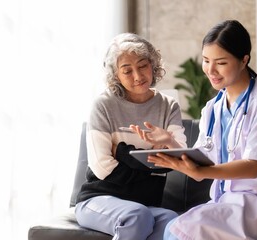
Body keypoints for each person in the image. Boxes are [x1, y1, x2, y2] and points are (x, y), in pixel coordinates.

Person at [130, 20, 257, 240]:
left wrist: (201, 172)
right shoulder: (213, 108)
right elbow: (204, 159)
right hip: (234, 201)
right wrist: (170, 143)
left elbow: (253, 167)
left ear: (243, 60)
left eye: (220, 62)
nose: (210, 70)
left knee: (180, 232)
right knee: (175, 229)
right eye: (206, 60)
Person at [74, 32, 188, 240]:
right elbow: (101, 166)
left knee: (174, 223)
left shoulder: (168, 106)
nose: (138, 76)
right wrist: (149, 167)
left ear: (152, 64)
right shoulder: (104, 105)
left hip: (144, 204)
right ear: (116, 75)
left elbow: (177, 159)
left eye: (143, 65)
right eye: (127, 71)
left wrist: (123, 152)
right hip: (99, 199)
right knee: (136, 215)